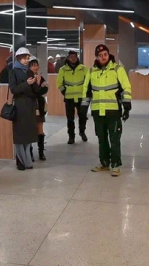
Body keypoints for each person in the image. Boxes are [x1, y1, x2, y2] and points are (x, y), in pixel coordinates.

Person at [83, 44, 132, 177]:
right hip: (97, 111)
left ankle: (115, 165)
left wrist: (127, 106)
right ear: (97, 57)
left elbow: (126, 87)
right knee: (102, 138)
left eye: (105, 54)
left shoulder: (117, 69)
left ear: (108, 54)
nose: (103, 57)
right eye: (100, 55)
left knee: (114, 139)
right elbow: (86, 91)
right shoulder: (91, 71)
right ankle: (104, 163)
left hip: (113, 111)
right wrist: (83, 108)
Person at [9, 47, 40, 171]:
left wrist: (37, 83)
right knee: (20, 134)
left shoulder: (29, 72)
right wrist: (27, 84)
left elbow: (35, 91)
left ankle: (28, 160)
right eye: (25, 58)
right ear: (18, 58)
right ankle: (20, 161)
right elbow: (14, 89)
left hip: (30, 105)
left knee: (28, 133)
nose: (27, 60)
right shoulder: (14, 72)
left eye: (28, 58)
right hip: (20, 105)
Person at [56, 49, 89, 144]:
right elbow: (59, 83)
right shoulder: (63, 69)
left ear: (77, 58)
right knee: (70, 118)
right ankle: (71, 137)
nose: (73, 59)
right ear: (68, 58)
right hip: (69, 98)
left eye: (75, 57)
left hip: (82, 97)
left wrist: (87, 93)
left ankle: (82, 132)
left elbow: (88, 81)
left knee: (83, 116)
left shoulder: (83, 68)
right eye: (71, 57)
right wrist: (64, 91)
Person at [29, 58, 49, 161]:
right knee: (30, 129)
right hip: (30, 106)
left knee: (40, 129)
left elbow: (45, 90)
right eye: (33, 65)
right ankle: (30, 153)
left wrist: (39, 86)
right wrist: (37, 86)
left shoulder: (41, 77)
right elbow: (31, 92)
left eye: (36, 65)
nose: (35, 67)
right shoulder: (28, 78)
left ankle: (41, 152)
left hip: (40, 106)